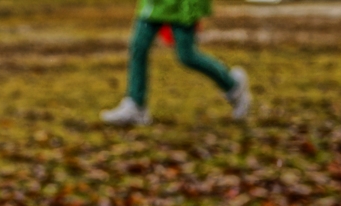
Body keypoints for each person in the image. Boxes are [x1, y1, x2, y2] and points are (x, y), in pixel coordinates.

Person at [102, 0, 249, 126]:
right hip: (156, 4)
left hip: (181, 5)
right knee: (138, 46)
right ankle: (136, 105)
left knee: (187, 55)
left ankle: (233, 86)